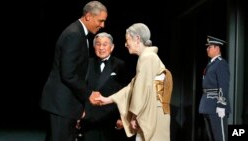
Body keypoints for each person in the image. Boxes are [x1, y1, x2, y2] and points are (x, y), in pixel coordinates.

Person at [90, 23, 173, 141]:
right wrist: (108, 99)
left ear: (137, 39)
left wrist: (135, 115)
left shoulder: (148, 58)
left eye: (127, 40)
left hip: (152, 113)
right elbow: (132, 87)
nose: (125, 44)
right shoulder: (148, 57)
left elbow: (142, 89)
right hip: (152, 111)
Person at [39, 1, 108, 141]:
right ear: (88, 16)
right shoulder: (74, 34)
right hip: (61, 104)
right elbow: (68, 74)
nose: (102, 25)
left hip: (65, 104)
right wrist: (89, 94)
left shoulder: (80, 33)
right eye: (100, 21)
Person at [77, 32, 135, 141]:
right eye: (98, 44)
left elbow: (126, 93)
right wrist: (78, 114)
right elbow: (79, 89)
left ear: (112, 47)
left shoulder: (120, 65)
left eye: (105, 44)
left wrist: (122, 117)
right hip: (89, 117)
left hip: (110, 117)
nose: (101, 48)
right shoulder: (86, 64)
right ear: (94, 46)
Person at [199, 35, 231, 141]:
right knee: (212, 137)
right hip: (208, 105)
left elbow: (223, 85)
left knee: (220, 138)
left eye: (210, 46)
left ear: (217, 48)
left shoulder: (221, 64)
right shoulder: (211, 64)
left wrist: (221, 105)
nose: (207, 49)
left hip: (216, 106)